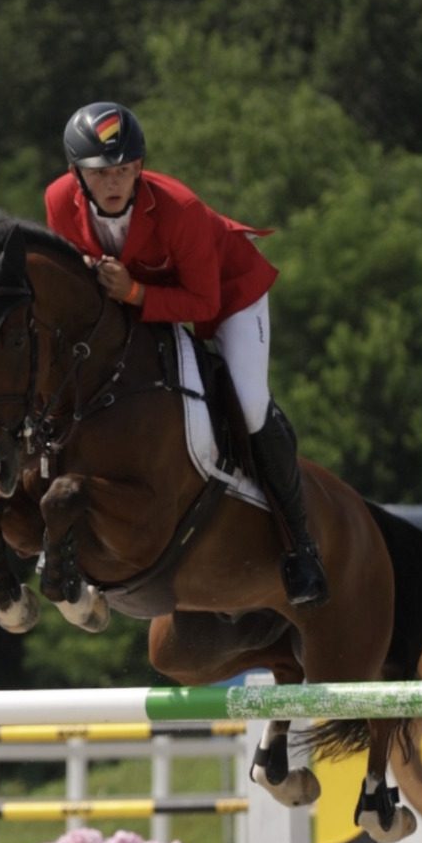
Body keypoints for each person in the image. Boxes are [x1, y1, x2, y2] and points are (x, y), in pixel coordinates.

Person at [44, 100, 328, 608]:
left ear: (139, 167)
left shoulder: (180, 209)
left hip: (228, 294)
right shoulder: (58, 201)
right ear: (77, 174)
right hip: (141, 299)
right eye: (102, 173)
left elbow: (204, 302)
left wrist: (133, 294)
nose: (116, 183)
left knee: (249, 400)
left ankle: (300, 545)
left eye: (126, 170)